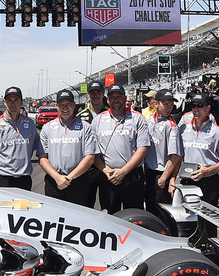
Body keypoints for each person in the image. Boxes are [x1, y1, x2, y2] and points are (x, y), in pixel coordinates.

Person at [90, 85, 150, 213]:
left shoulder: (138, 118)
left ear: (125, 98)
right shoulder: (97, 121)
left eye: (119, 96)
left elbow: (143, 149)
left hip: (132, 176)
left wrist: (123, 172)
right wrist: (106, 171)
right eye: (112, 97)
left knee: (134, 218)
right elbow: (93, 152)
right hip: (108, 176)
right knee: (109, 218)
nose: (116, 99)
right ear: (107, 100)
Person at [37, 90, 97, 206]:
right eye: (62, 105)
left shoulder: (85, 127)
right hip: (54, 181)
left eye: (68, 104)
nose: (65, 108)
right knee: (53, 220)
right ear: (57, 107)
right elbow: (42, 157)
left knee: (78, 219)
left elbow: (90, 158)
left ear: (74, 105)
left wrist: (69, 178)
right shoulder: (47, 128)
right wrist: (57, 177)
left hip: (78, 181)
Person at [0, 86, 38, 190]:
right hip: (2, 180)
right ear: (5, 103)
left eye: (16, 100)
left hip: (24, 180)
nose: (13, 104)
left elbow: (38, 149)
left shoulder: (30, 124)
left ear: (21, 102)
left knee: (24, 207)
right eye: (9, 100)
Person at [177, 92, 219, 209]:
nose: (196, 109)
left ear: (208, 108)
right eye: (193, 106)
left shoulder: (218, 132)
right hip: (187, 180)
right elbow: (176, 157)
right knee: (188, 220)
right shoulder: (182, 129)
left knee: (208, 223)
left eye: (200, 105)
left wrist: (207, 171)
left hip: (209, 181)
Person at [144, 89, 181, 217]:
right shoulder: (150, 120)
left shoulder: (171, 126)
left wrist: (164, 177)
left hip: (161, 174)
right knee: (149, 209)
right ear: (156, 104)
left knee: (161, 214)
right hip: (149, 171)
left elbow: (175, 156)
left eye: (171, 104)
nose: (169, 107)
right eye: (165, 104)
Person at [77, 81, 109, 207]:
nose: (95, 96)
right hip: (88, 166)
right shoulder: (80, 116)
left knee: (108, 203)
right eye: (92, 93)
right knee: (86, 203)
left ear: (103, 94)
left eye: (98, 93)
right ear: (88, 95)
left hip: (107, 164)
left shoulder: (110, 113)